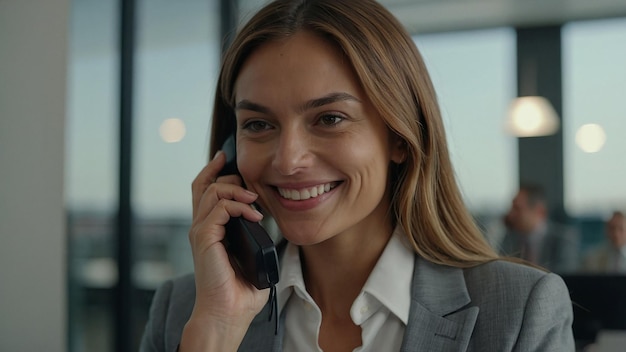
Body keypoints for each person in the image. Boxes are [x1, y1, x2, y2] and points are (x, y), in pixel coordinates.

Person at [140, 1, 575, 351]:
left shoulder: (520, 311)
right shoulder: (185, 311)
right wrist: (216, 330)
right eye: (258, 124)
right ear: (229, 155)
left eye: (329, 118)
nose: (288, 160)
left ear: (400, 137)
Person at [498, 184, 580, 273]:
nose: (511, 214)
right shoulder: (510, 238)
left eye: (517, 208)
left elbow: (565, 278)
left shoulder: (564, 239)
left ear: (539, 211)